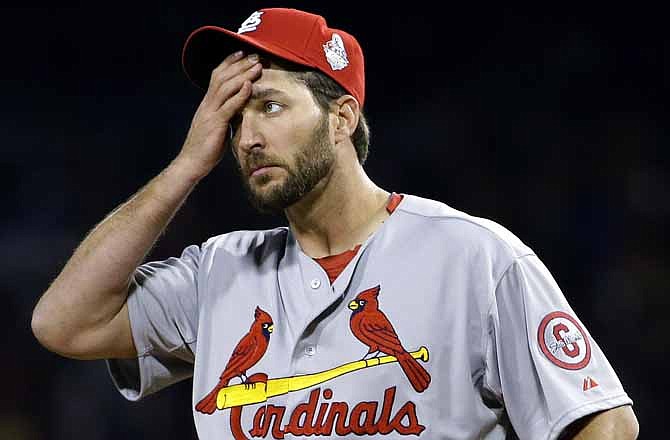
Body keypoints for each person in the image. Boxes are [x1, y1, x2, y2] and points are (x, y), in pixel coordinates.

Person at [31, 7, 638, 439]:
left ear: (342, 117)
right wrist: (186, 166)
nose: (247, 137)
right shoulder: (216, 273)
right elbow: (64, 322)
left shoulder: (472, 256)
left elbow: (604, 422)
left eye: (270, 106)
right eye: (234, 117)